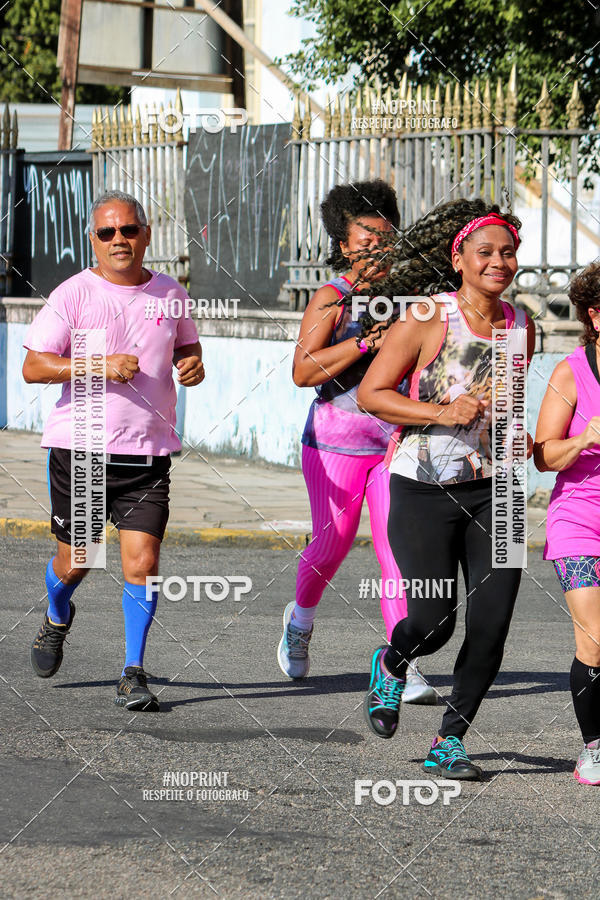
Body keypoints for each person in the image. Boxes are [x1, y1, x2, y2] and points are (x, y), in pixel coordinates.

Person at [358, 198, 535, 779]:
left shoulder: (521, 323)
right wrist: (440, 410)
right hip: (424, 488)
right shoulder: (428, 316)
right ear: (459, 258)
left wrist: (522, 433)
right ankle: (392, 661)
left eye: (507, 252)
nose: (498, 262)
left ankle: (449, 741)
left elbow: (506, 400)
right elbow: (373, 393)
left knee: (492, 624)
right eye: (486, 252)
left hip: (500, 491)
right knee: (434, 620)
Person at [23, 190, 204, 711]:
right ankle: (57, 614)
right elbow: (35, 367)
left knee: (142, 563)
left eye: (129, 230)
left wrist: (194, 364)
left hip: (147, 453)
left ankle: (132, 671)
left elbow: (186, 346)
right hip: (81, 450)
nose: (119, 240)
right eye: (108, 233)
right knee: (77, 560)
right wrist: (96, 364)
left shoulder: (171, 292)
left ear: (146, 234)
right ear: (93, 240)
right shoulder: (73, 294)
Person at [277, 179, 435, 705]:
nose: (376, 248)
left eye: (385, 238)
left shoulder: (415, 298)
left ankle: (400, 664)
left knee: (397, 554)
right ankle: (300, 621)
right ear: (344, 244)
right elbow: (303, 370)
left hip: (395, 442)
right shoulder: (333, 297)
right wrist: (368, 340)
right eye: (364, 239)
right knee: (332, 544)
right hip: (335, 442)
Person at [534, 261, 600, 785]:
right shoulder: (571, 372)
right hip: (580, 521)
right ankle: (593, 746)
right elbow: (543, 454)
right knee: (595, 638)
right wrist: (583, 439)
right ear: (595, 314)